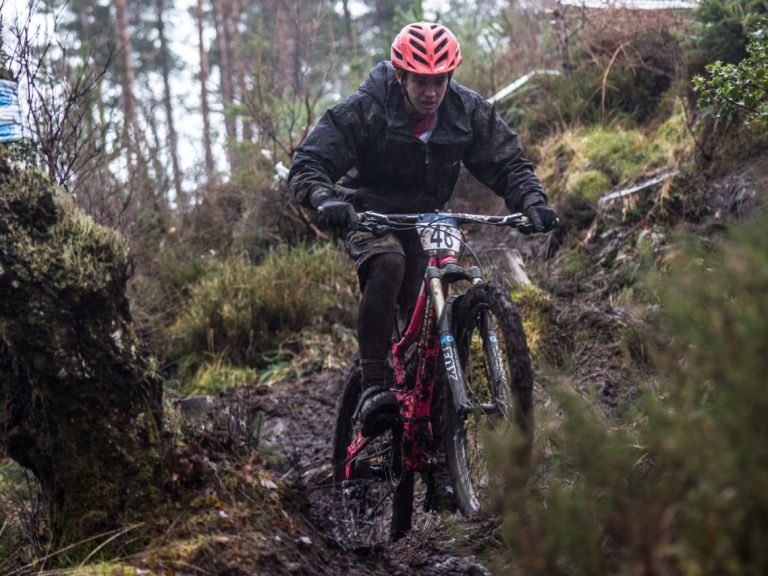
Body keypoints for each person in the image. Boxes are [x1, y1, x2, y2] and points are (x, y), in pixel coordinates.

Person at [288, 22, 557, 438]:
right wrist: (327, 200)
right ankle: (374, 386)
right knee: (389, 263)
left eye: (439, 81)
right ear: (401, 75)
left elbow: (508, 162)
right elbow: (309, 163)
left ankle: (438, 433)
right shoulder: (368, 107)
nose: (431, 92)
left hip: (428, 216)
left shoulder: (465, 111)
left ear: (450, 76)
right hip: (369, 213)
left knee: (435, 292)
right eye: (420, 81)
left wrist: (532, 201)